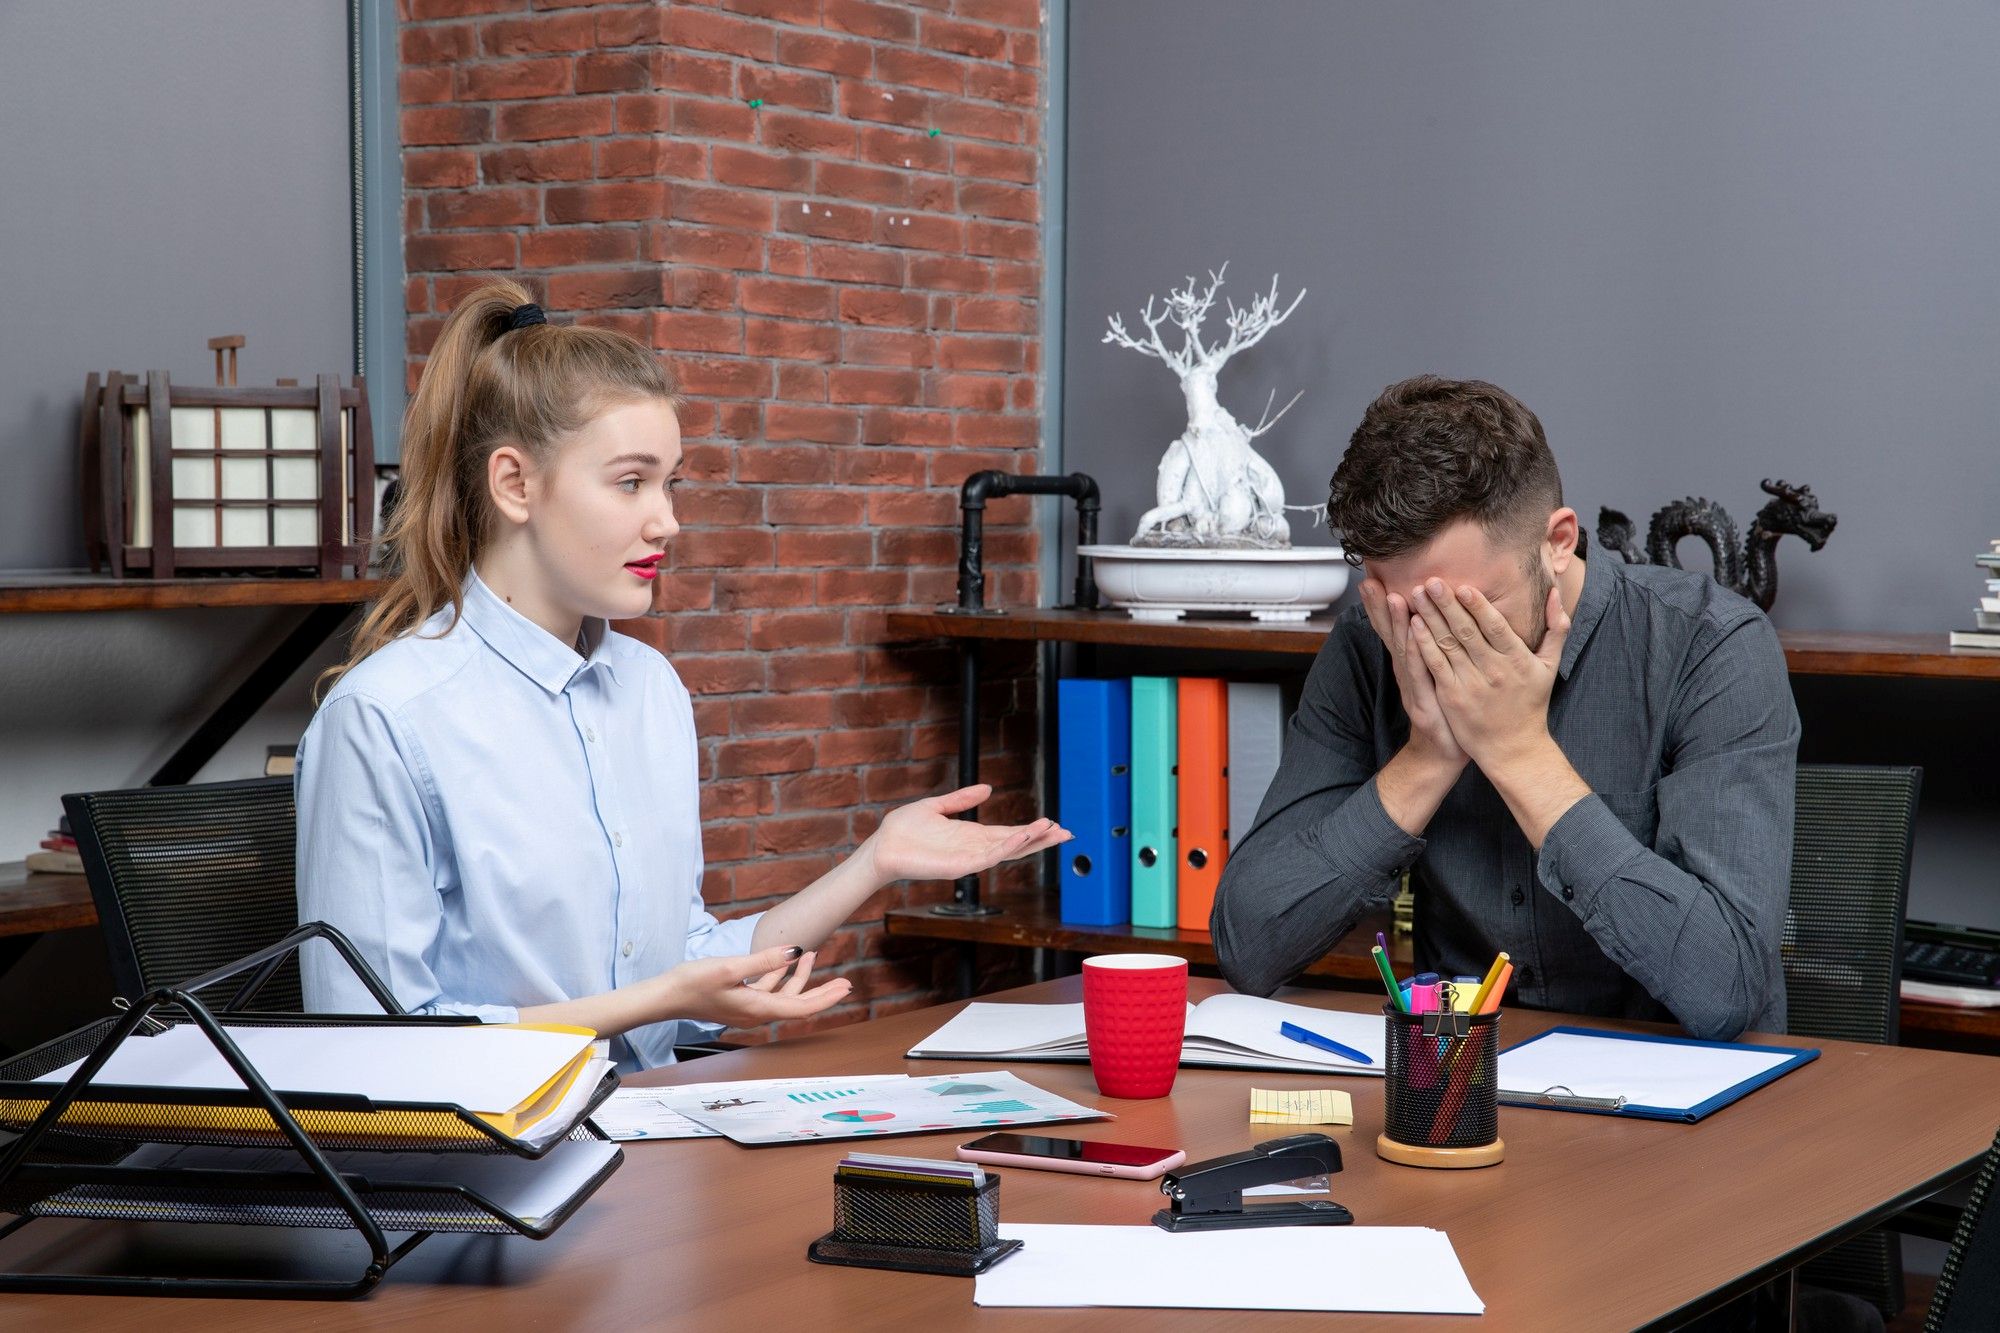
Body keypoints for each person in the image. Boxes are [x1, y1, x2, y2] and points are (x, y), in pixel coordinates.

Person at [297, 280, 1069, 1068]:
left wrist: (875, 860)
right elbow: (369, 1044)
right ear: (515, 484)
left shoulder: (649, 688)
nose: (666, 519)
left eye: (670, 483)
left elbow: (688, 961)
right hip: (481, 1174)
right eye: (631, 482)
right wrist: (662, 1002)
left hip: (652, 1132)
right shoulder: (385, 717)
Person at [1212, 375, 1799, 1040]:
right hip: (1461, 1094)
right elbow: (1248, 944)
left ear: (1557, 542)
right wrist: (1429, 756)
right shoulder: (1369, 648)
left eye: (1465, 610)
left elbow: (1726, 988)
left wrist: (1520, 753)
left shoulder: (1710, 645)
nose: (1435, 645)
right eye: (1407, 613)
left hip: (1696, 1111)